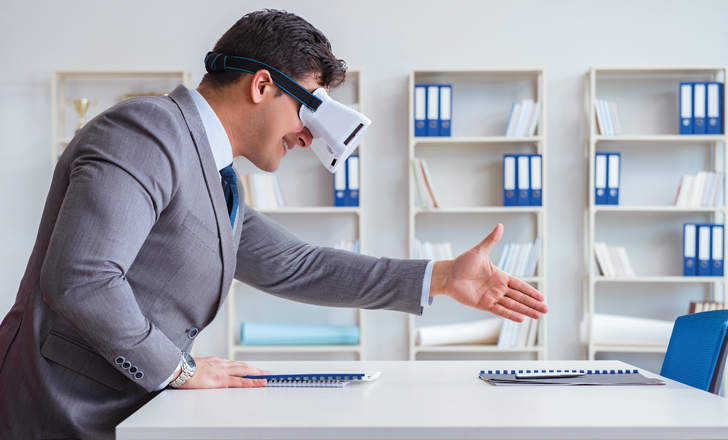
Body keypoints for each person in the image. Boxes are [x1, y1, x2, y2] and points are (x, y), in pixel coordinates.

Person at [0, 9, 548, 440]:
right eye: (308, 114)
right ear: (262, 86)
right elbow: (84, 279)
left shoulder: (215, 177)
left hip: (128, 410)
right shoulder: (147, 130)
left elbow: (299, 265)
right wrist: (180, 370)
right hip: (58, 410)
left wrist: (444, 276)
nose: (310, 138)